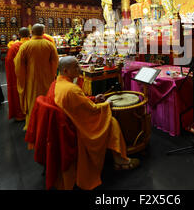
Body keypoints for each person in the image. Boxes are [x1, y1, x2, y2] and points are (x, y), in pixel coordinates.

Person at [53, 56, 139, 190]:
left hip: (71, 121)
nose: (80, 68)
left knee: (110, 121)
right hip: (79, 128)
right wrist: (106, 104)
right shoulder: (71, 89)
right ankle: (121, 159)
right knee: (111, 121)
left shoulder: (59, 82)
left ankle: (117, 156)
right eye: (76, 66)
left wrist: (93, 98)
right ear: (65, 70)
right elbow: (91, 110)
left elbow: (81, 103)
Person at [15, 24, 59, 130]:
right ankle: (47, 123)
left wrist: (23, 76)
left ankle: (33, 125)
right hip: (47, 78)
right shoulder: (49, 44)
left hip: (31, 79)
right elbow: (55, 62)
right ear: (43, 32)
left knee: (33, 101)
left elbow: (18, 64)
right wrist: (52, 74)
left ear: (32, 33)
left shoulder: (25, 46)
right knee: (47, 99)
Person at [5, 27, 30, 121]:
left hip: (18, 75)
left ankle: (21, 113)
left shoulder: (15, 47)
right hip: (33, 75)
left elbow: (9, 62)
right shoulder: (34, 44)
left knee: (19, 94)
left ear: (19, 35)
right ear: (30, 34)